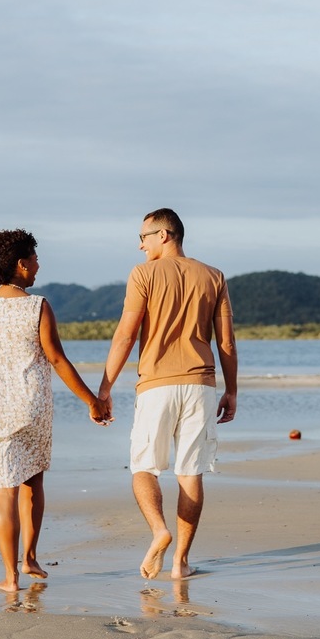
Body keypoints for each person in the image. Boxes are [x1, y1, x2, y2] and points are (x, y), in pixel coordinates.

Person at [0, 229, 111, 592]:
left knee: (3, 491)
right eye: (35, 259)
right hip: (31, 407)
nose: (39, 266)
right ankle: (29, 557)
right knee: (33, 479)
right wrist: (92, 401)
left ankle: (10, 577)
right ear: (21, 265)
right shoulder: (37, 306)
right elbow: (57, 359)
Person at [98, 208, 238, 580]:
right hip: (200, 386)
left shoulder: (143, 274)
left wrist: (105, 388)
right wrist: (232, 390)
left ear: (164, 234)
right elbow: (225, 342)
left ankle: (160, 530)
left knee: (144, 468)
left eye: (143, 237)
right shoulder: (214, 276)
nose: (140, 245)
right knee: (190, 473)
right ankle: (180, 564)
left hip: (156, 386)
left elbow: (126, 335)